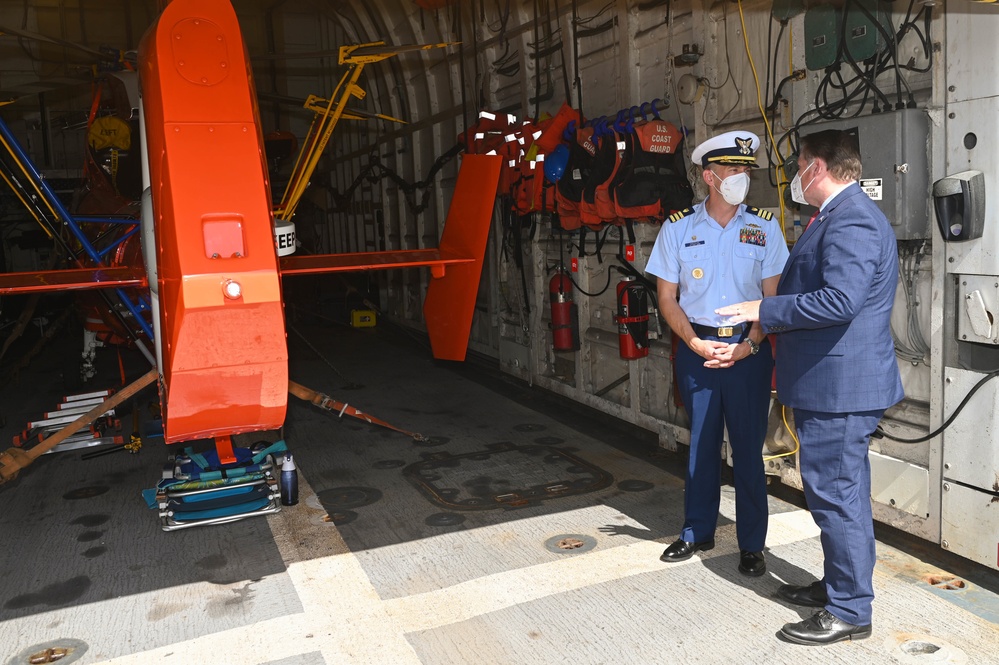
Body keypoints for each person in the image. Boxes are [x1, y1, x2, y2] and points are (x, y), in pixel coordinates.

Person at [716, 129, 904, 645]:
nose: (796, 176)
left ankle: (849, 610)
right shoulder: (840, 217)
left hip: (840, 387)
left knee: (835, 496)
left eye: (799, 165)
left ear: (817, 168)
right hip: (832, 383)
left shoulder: (853, 221)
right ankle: (839, 587)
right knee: (838, 494)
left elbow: (839, 301)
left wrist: (764, 310)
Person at [645, 130, 789, 577]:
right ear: (710, 176)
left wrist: (750, 344)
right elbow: (667, 299)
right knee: (701, 445)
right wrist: (693, 342)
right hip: (697, 348)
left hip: (749, 349)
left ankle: (752, 545)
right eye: (733, 170)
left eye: (746, 169)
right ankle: (696, 531)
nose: (742, 177)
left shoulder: (764, 227)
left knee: (748, 451)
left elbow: (773, 299)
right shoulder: (678, 228)